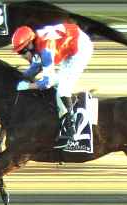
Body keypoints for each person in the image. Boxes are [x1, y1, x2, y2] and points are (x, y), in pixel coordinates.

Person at [14, 18, 94, 152]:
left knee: (62, 89)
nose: (21, 55)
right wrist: (20, 77)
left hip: (80, 49)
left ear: (30, 44)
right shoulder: (37, 43)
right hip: (70, 43)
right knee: (58, 82)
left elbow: (46, 83)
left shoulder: (45, 50)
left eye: (22, 52)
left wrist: (27, 86)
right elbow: (35, 67)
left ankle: (72, 128)